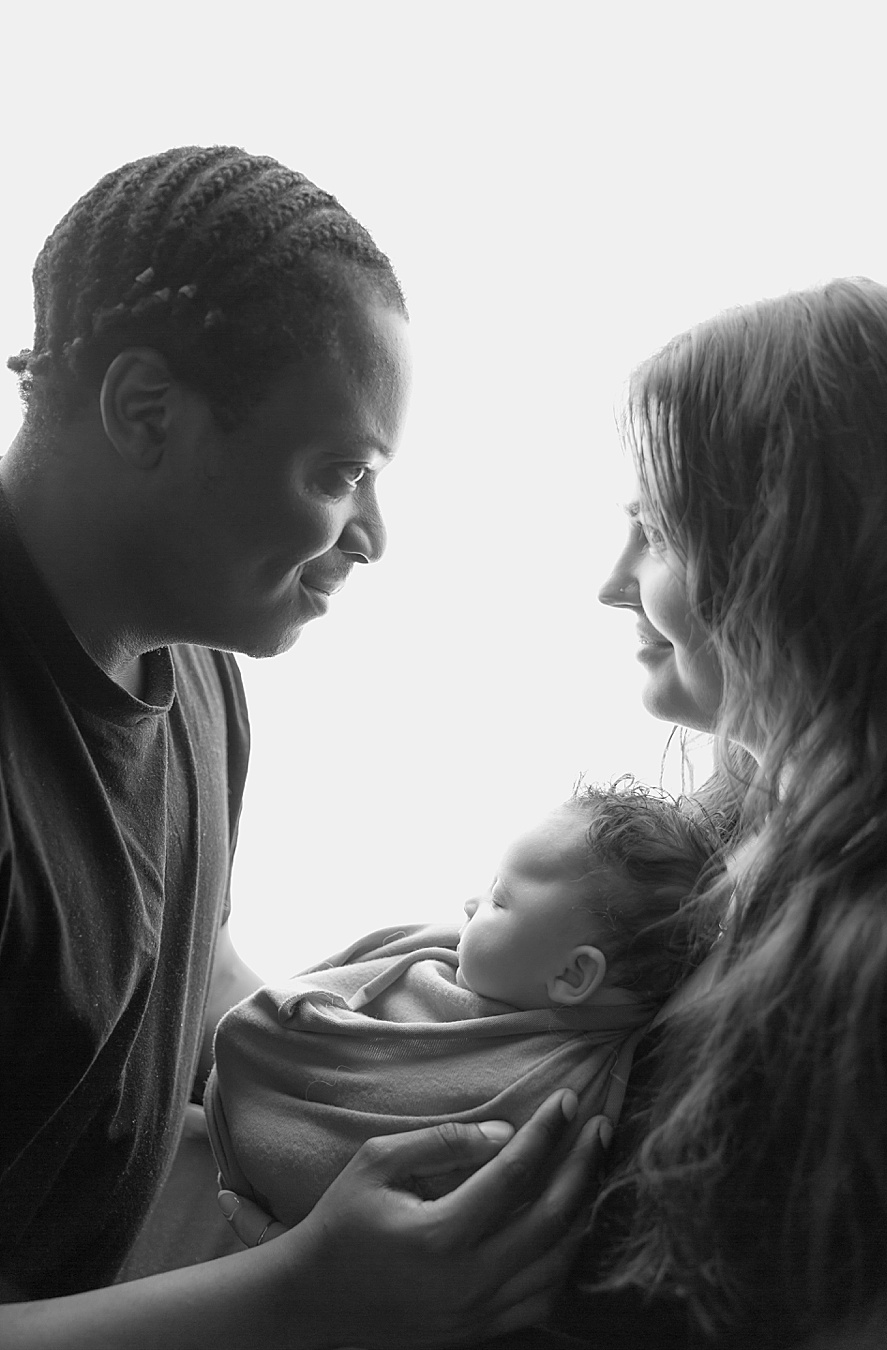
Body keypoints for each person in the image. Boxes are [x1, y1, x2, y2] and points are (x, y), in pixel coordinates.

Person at [0, 146, 604, 1349]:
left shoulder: (195, 665)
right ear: (145, 413)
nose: (373, 535)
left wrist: (369, 1077)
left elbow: (157, 953)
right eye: (340, 473)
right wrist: (302, 1298)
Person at [487, 276, 887, 1350]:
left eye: (658, 530)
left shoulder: (876, 971)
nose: (611, 583)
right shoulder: (722, 847)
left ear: (803, 549)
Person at [205, 779, 724, 1228]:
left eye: (500, 898)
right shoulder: (459, 966)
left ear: (573, 974)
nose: (471, 904)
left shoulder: (554, 1091)